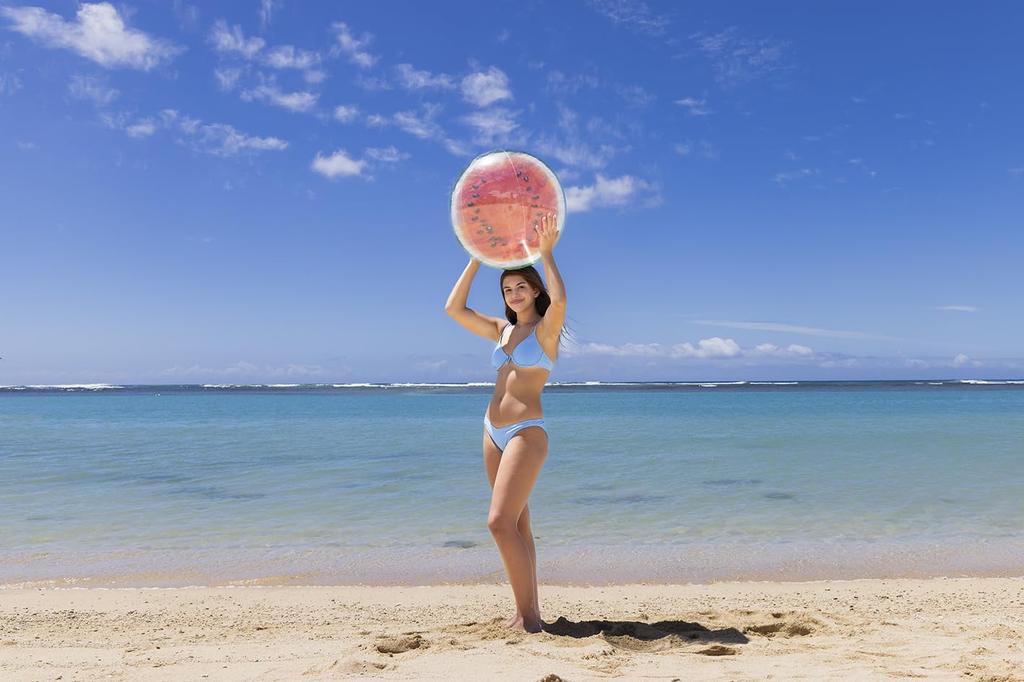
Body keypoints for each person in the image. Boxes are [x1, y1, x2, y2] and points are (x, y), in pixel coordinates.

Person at [444, 214, 566, 633]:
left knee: (498, 522)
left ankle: (528, 618)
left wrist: (546, 253)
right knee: (517, 524)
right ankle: (526, 612)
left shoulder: (545, 332)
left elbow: (562, 302)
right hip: (491, 431)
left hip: (526, 433)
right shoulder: (501, 330)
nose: (514, 294)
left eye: (521, 287)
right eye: (507, 289)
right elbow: (453, 308)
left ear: (535, 291)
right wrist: (477, 258)